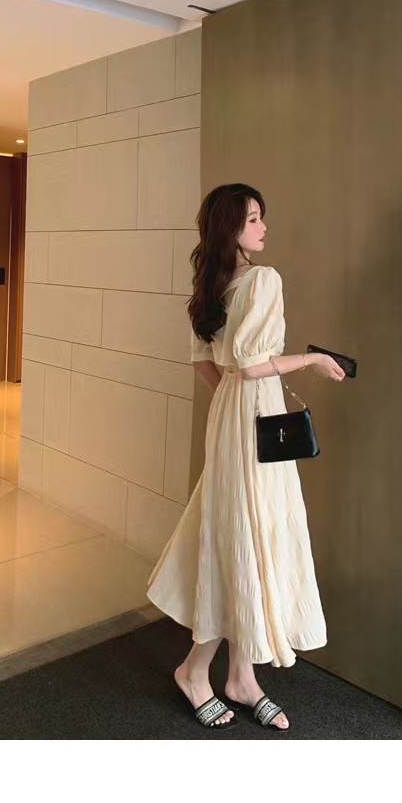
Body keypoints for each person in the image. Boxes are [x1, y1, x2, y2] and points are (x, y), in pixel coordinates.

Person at [146, 183, 346, 732]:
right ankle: (195, 671)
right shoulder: (262, 279)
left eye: (261, 218)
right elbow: (256, 365)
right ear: (230, 228)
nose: (263, 228)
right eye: (253, 219)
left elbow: (206, 363)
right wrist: (313, 360)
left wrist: (234, 399)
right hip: (254, 417)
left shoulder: (211, 287)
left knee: (241, 533)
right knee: (247, 534)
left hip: (233, 417)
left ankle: (241, 676)